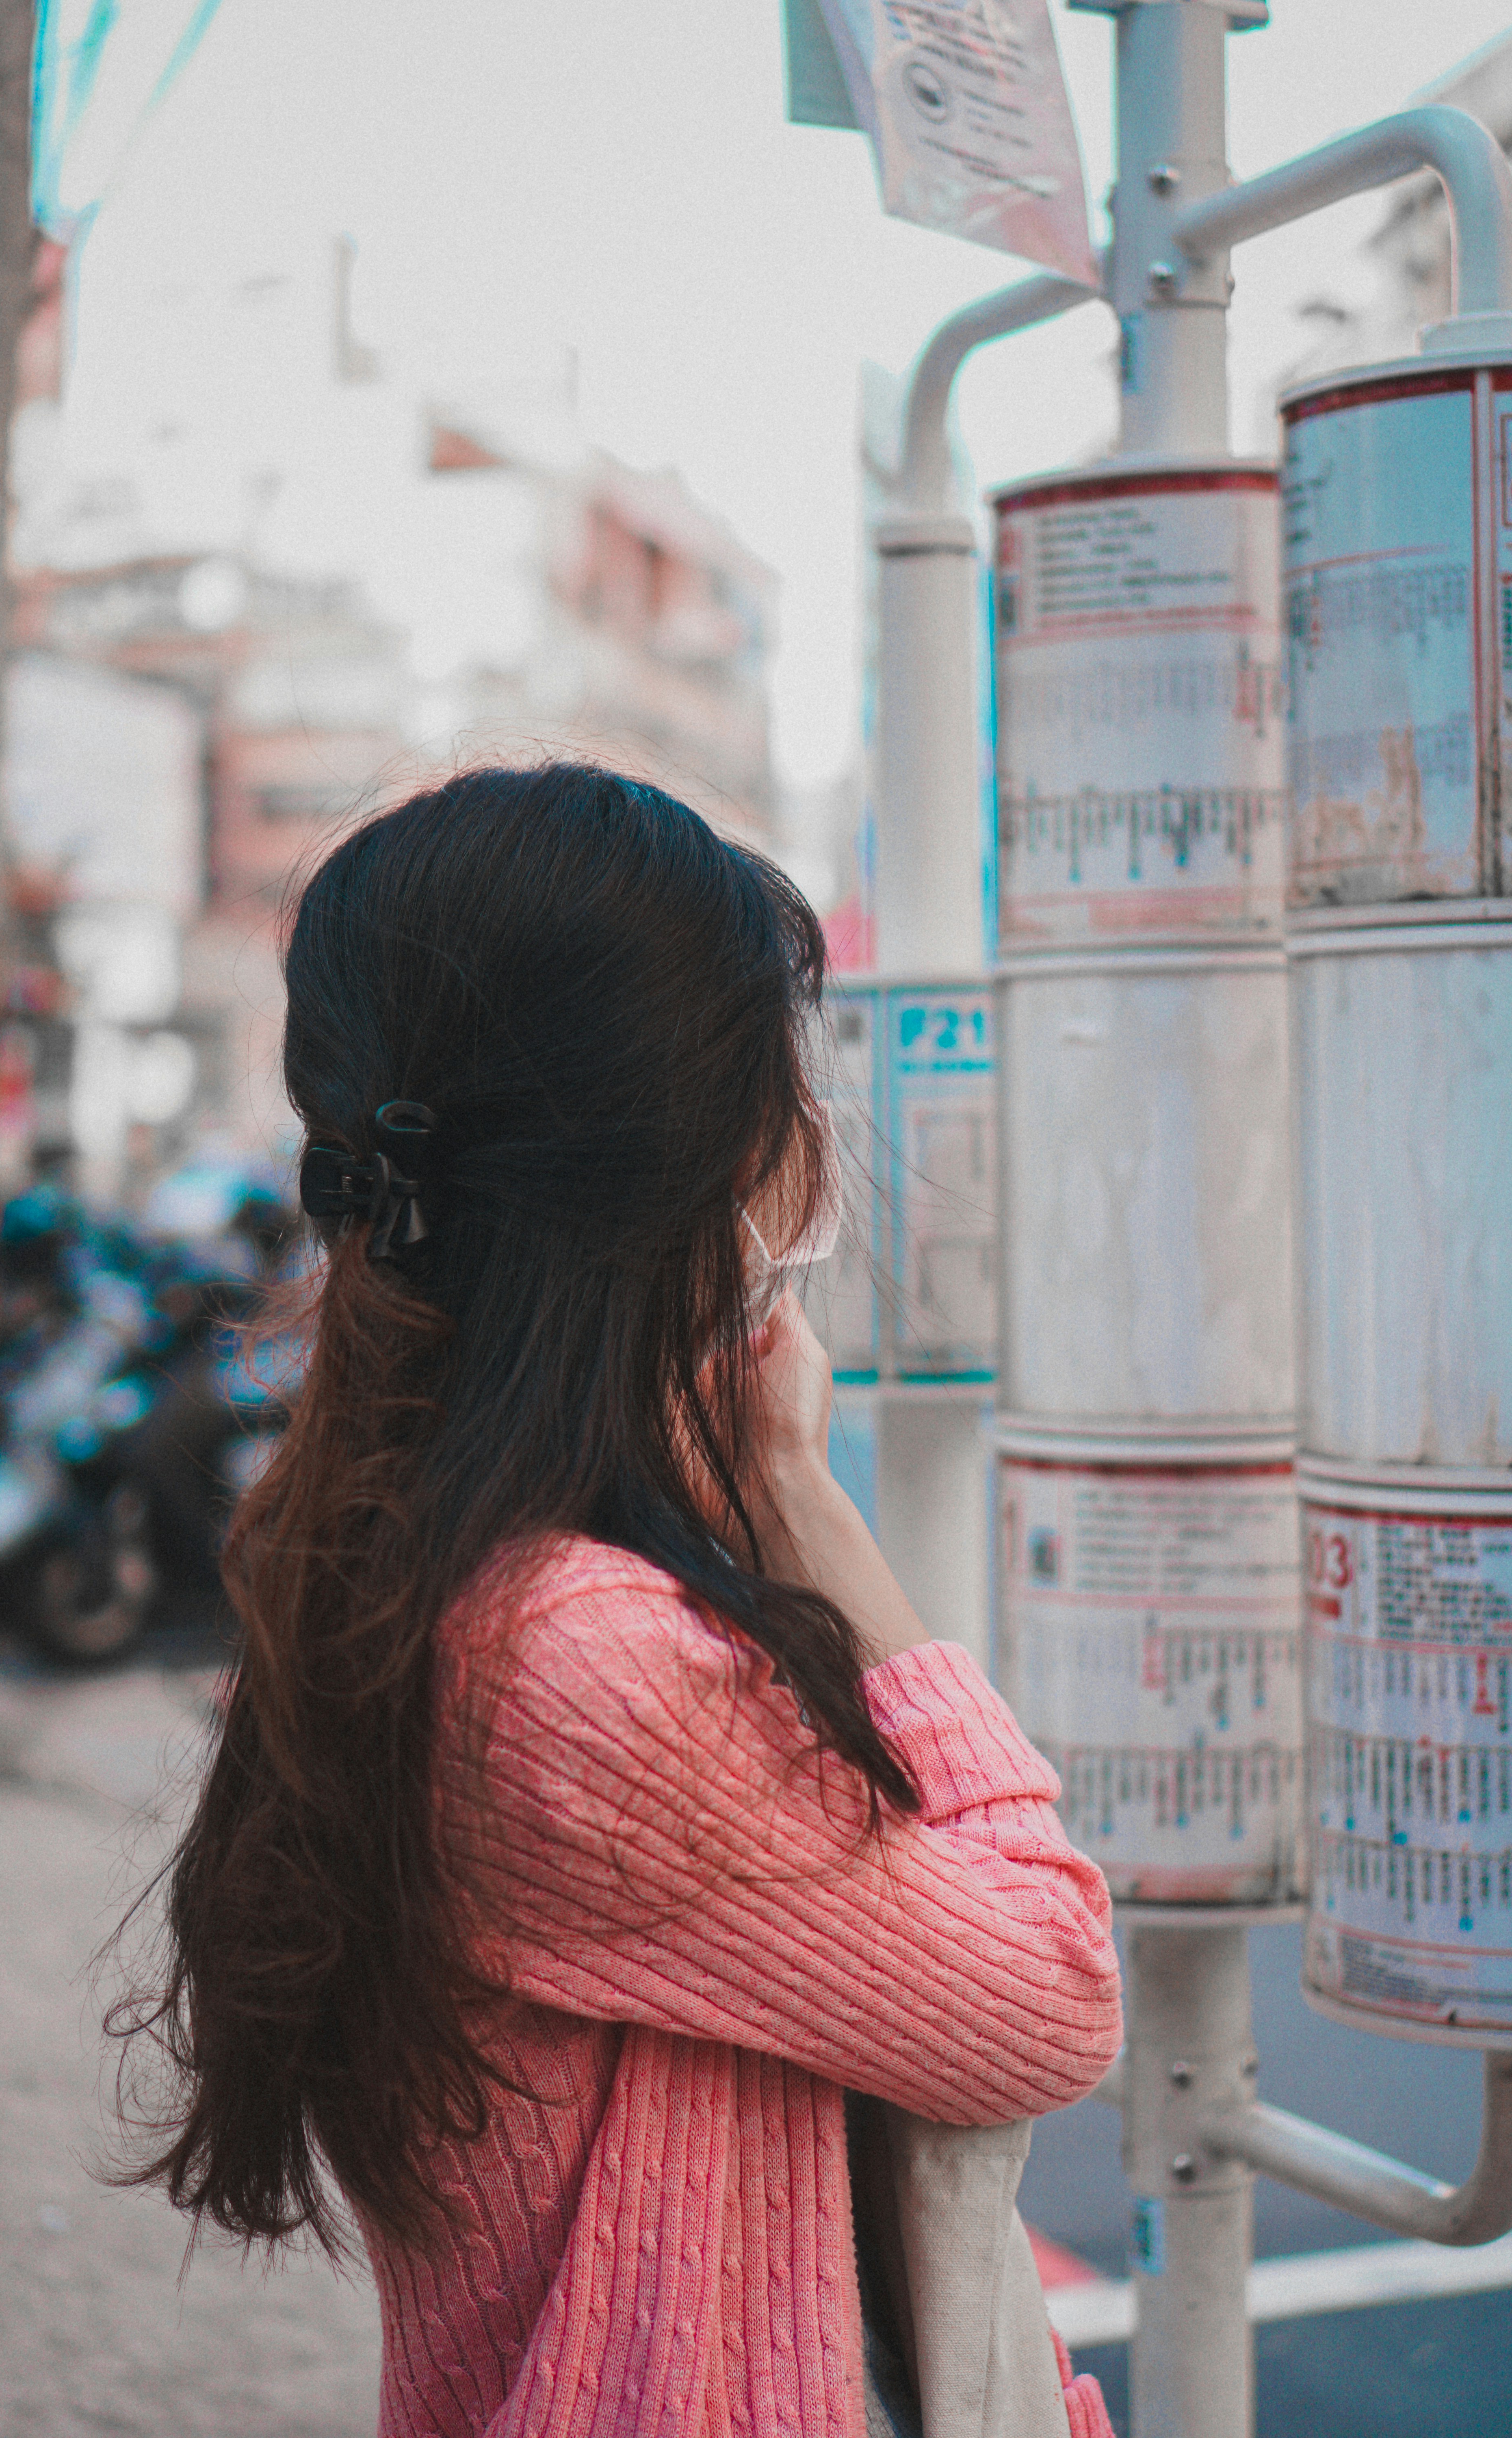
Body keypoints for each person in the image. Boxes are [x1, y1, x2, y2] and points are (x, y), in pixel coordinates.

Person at [108, 765, 1122, 2438]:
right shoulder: (583, 1663)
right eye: (785, 1067)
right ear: (699, 1157)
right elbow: (1050, 1995)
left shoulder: (417, 1546)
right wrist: (806, 1503)